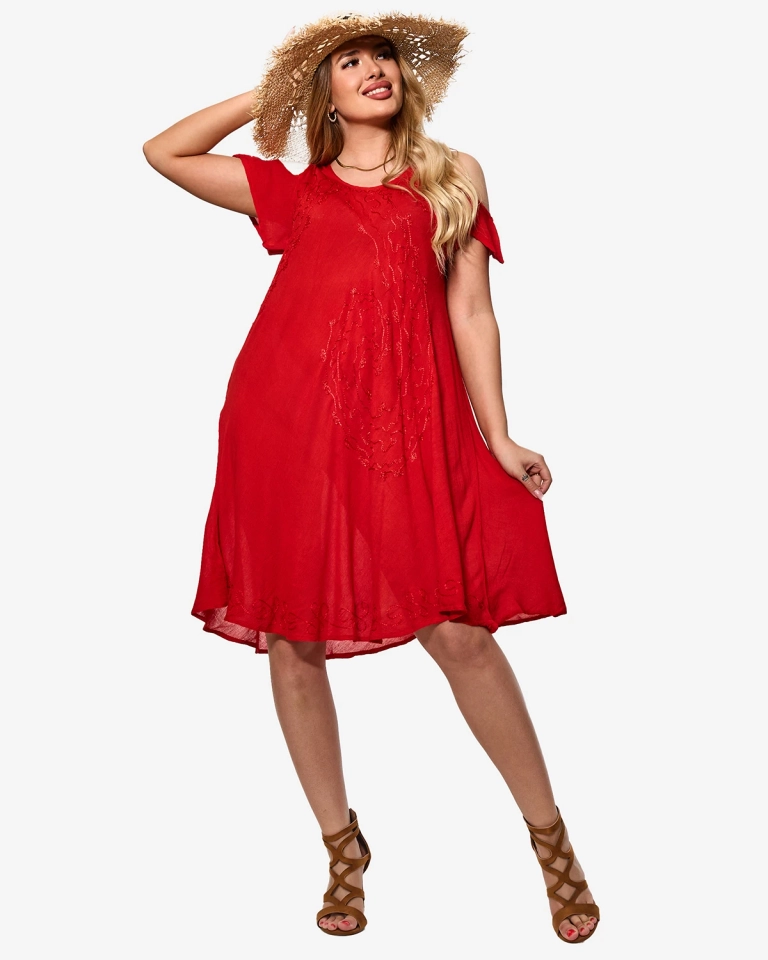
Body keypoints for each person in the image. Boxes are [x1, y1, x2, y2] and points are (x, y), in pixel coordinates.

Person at [143, 11, 599, 943]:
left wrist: (499, 434)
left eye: (381, 55)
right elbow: (164, 151)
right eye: (347, 63)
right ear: (326, 94)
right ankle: (341, 847)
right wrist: (273, 91)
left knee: (458, 632)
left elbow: (471, 313)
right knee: (292, 637)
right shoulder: (293, 192)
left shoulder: (452, 175)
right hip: (285, 428)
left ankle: (550, 840)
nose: (371, 70)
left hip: (406, 430)